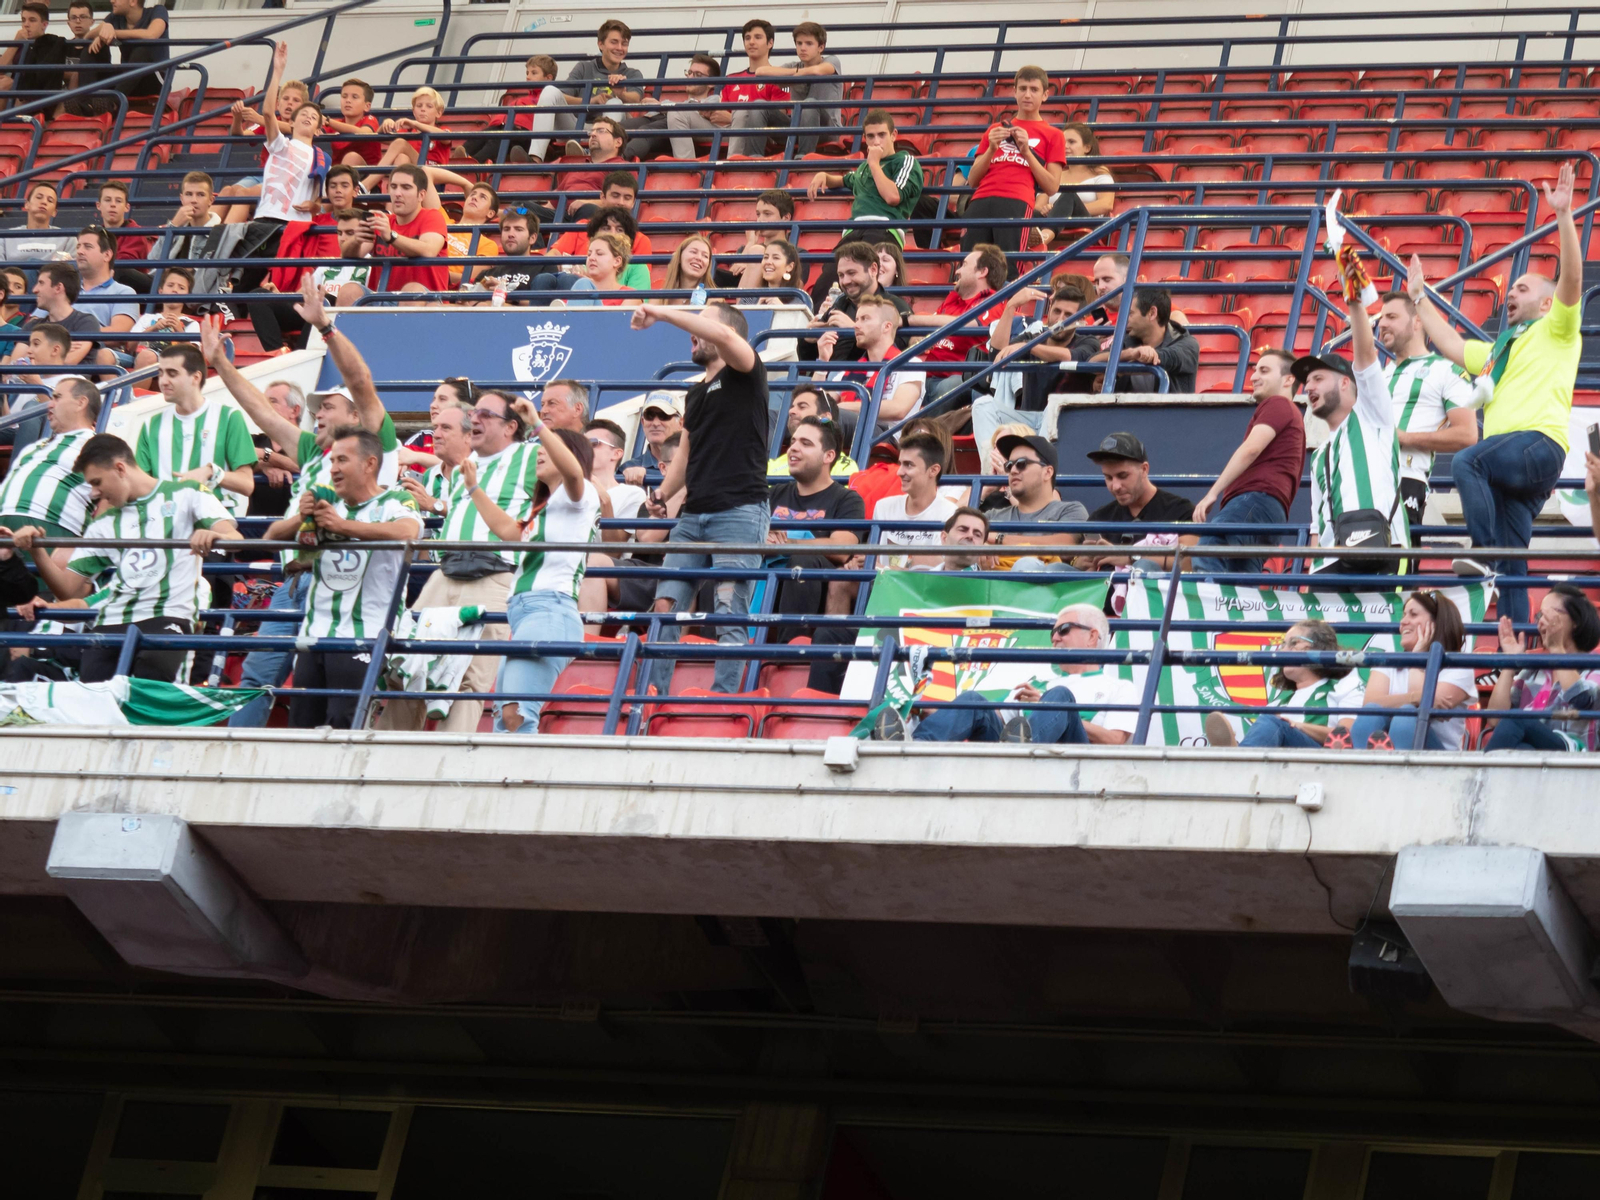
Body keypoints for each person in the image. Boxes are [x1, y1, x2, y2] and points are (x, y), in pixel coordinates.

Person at [202, 283, 398, 728]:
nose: (319, 413)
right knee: (256, 675)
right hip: (293, 581)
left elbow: (361, 382)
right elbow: (262, 415)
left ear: (354, 418)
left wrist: (325, 327)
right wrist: (221, 365)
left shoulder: (376, 444)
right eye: (316, 408)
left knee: (331, 694)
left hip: (345, 582)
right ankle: (236, 761)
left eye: (328, 407)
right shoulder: (312, 450)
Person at [1409, 162, 1581, 625]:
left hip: (1538, 445)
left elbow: (1571, 283)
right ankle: (1514, 654)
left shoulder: (1557, 329)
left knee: (1468, 459)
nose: (1511, 294)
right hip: (1515, 470)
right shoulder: (1497, 349)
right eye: (1510, 289)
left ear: (1545, 303)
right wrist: (1419, 298)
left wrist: (1564, 217)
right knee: (1512, 567)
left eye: (1522, 288)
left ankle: (1480, 554)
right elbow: (1446, 342)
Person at [13, 433, 240, 684]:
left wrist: (213, 535)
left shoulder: (187, 492)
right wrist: (37, 551)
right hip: (110, 622)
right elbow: (68, 590)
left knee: (151, 689)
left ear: (120, 468)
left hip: (167, 618)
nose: (93, 493)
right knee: (95, 699)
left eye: (97, 482)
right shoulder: (103, 523)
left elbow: (234, 538)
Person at [376, 389, 537, 734]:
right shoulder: (467, 465)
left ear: (510, 427)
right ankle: (387, 756)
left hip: (495, 575)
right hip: (445, 572)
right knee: (407, 668)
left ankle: (447, 766)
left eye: (484, 415)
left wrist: (537, 421)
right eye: (473, 414)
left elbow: (575, 480)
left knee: (469, 681)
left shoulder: (530, 457)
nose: (474, 419)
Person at [638, 302, 770, 693]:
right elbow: (686, 454)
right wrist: (664, 492)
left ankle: (722, 704)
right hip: (693, 516)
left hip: (739, 511)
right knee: (665, 608)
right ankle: (653, 699)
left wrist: (662, 314)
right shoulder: (695, 394)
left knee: (729, 612)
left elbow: (726, 337)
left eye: (701, 323)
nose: (692, 333)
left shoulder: (746, 370)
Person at [264, 427, 421, 730]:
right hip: (314, 636)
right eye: (332, 460)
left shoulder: (394, 500)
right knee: (301, 729)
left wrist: (343, 526)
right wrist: (301, 517)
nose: (333, 468)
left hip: (363, 636)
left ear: (370, 464)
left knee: (343, 728)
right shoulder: (326, 502)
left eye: (342, 460)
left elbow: (407, 532)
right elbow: (271, 538)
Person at [449, 419, 598, 733]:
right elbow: (505, 531)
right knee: (507, 716)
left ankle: (520, 781)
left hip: (550, 611)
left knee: (516, 715)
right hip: (529, 615)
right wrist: (473, 488)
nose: (540, 453)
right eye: (539, 447)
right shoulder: (543, 507)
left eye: (548, 448)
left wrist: (539, 425)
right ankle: (510, 779)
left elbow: (573, 472)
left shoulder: (581, 496)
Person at [899, 603, 1138, 744]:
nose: (1055, 638)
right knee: (973, 701)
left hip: (1073, 766)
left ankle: (1021, 753)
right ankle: (914, 747)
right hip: (1015, 755)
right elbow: (993, 719)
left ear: (1092, 636)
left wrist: (1051, 707)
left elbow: (1115, 740)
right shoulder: (1039, 683)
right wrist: (942, 713)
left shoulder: (1119, 687)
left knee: (1060, 697)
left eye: (1063, 630)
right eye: (1052, 633)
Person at [1297, 274, 1406, 574]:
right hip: (1331, 565)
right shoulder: (1318, 456)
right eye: (1306, 382)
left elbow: (1366, 355)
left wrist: (1354, 302)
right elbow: (1317, 527)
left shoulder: (1371, 416)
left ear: (1346, 383)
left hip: (1383, 551)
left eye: (1318, 378)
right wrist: (1313, 573)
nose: (1308, 388)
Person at [1190, 347, 1305, 576]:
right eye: (1254, 370)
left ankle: (1212, 612)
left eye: (1264, 370)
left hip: (1256, 499)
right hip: (1271, 511)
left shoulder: (1278, 404)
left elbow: (1251, 449)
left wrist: (1213, 492)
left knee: (1207, 550)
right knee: (1240, 581)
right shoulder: (1293, 414)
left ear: (1288, 379)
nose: (1253, 377)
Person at [1374, 290, 1477, 530]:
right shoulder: (1379, 375)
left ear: (1418, 320)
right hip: (1362, 478)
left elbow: (1467, 434)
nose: (1382, 324)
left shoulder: (1447, 370)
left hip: (1406, 479)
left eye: (1391, 317)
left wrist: (1404, 438)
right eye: (1380, 319)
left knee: (1396, 563)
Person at [767, 414, 864, 646]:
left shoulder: (847, 499)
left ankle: (791, 651)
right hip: (767, 576)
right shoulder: (773, 493)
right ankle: (713, 650)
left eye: (806, 443)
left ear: (828, 456)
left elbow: (842, 549)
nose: (794, 449)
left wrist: (788, 544)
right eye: (793, 442)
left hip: (811, 586)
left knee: (804, 560)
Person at [971, 283, 1099, 455]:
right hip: (1028, 418)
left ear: (1080, 319)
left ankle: (1040, 471)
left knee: (1054, 405)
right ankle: (991, 472)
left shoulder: (1088, 341)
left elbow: (1070, 356)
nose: (1060, 319)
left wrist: (1029, 347)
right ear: (1049, 311)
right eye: (1057, 311)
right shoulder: (1033, 337)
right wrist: (1011, 306)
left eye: (1068, 315)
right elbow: (998, 355)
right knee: (982, 405)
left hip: (1065, 423)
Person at [135, 342, 256, 515]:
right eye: (160, 373)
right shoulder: (150, 426)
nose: (163, 381)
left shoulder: (229, 417)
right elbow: (139, 484)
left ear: (196, 377)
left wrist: (211, 472)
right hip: (164, 524)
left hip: (214, 525)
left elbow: (246, 484)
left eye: (172, 373)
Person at [1347, 590, 1475, 751]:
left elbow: (1423, 709)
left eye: (1413, 615)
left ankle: (1392, 768)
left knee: (1407, 713)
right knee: (1371, 714)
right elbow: (1370, 703)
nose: (1403, 622)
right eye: (1404, 615)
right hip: (1391, 741)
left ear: (1436, 623)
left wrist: (1416, 660)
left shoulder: (1458, 666)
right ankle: (1362, 766)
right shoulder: (1388, 660)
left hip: (1439, 762)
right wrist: (1418, 697)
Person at [1205, 620, 1361, 748]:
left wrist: (1297, 726)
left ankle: (1238, 760)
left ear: (1318, 649)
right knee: (1271, 720)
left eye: (1293, 643)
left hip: (1321, 760)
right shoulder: (1278, 704)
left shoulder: (1345, 686)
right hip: (1278, 768)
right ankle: (1239, 758)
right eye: (1282, 645)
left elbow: (1347, 736)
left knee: (1273, 722)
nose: (1283, 651)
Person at [960, 65, 1064, 257]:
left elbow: (1052, 186)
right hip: (980, 200)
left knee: (1009, 266)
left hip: (1017, 201)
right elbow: (973, 180)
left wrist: (1026, 152)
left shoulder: (1054, 135)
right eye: (1022, 89)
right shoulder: (995, 129)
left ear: (1045, 95)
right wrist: (991, 148)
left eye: (1034, 90)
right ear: (1014, 92)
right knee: (970, 264)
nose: (1027, 95)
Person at [1483, 584, 1600, 751]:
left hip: (1573, 755)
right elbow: (1495, 719)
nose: (1541, 623)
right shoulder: (1533, 671)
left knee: (1517, 719)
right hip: (1536, 755)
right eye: (1539, 616)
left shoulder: (1594, 666)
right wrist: (1510, 663)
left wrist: (1557, 648)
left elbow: (1582, 700)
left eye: (1549, 615)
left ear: (1575, 620)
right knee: (1523, 749)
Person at [521, 21, 645, 164]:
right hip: (577, 128)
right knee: (549, 90)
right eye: (614, 42)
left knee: (614, 102)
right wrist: (592, 101)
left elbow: (636, 99)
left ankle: (601, 157)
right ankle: (535, 159)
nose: (619, 48)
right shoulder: (584, 67)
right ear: (601, 44)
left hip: (608, 132)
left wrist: (621, 94)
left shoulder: (632, 73)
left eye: (624, 44)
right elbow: (562, 96)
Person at [668, 19, 790, 158]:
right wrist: (710, 113)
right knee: (676, 112)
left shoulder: (779, 77)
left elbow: (775, 118)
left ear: (770, 43)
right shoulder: (732, 78)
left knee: (742, 110)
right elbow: (721, 113)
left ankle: (733, 165)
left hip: (755, 134)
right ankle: (687, 170)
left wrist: (732, 117)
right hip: (725, 129)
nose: (751, 42)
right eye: (747, 38)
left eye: (758, 37)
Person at [904, 243, 1008, 404]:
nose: (957, 271)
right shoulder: (952, 299)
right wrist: (915, 339)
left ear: (982, 272)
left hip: (955, 379)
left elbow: (966, 324)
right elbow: (929, 329)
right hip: (926, 377)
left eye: (964, 265)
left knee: (958, 385)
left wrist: (909, 319)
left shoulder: (994, 301)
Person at [806, 109, 921, 254]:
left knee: (863, 270)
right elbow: (844, 180)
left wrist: (874, 163)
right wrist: (824, 176)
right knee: (829, 274)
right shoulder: (863, 168)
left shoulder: (904, 161)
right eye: (871, 136)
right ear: (865, 138)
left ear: (893, 135)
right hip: (853, 231)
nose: (876, 141)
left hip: (885, 230)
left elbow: (893, 197)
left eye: (882, 135)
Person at [1076, 432, 1196, 570]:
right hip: (1106, 589)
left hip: (1153, 590)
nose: (1115, 486)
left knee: (1144, 566)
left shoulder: (1180, 510)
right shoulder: (1099, 518)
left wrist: (1131, 557)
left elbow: (1191, 562)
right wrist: (1079, 564)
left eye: (1123, 476)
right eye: (1108, 478)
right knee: (1053, 569)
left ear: (1144, 469)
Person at [0, 375, 98, 536]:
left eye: (57, 398)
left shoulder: (98, 446)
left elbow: (112, 501)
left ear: (81, 402)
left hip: (49, 534)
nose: (49, 404)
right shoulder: (34, 448)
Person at [819, 293, 925, 429]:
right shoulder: (849, 371)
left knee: (828, 422)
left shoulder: (910, 364)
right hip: (848, 431)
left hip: (885, 438)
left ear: (886, 326)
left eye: (864, 319)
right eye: (856, 319)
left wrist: (843, 408)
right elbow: (819, 406)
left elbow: (899, 409)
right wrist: (822, 363)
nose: (856, 325)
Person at [986, 433, 1086, 566]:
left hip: (1045, 584)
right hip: (997, 585)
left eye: (1021, 464)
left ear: (1047, 472)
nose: (1013, 470)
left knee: (1026, 564)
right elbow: (957, 537)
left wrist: (997, 538)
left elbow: (1064, 546)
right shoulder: (993, 515)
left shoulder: (1070, 510)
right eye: (1009, 465)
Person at [870, 430, 958, 568]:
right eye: (900, 464)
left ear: (933, 470)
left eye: (909, 465)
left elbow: (933, 572)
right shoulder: (883, 507)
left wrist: (882, 568)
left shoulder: (950, 514)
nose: (899, 472)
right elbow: (871, 560)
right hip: (880, 586)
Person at [749, 21, 841, 154]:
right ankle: (755, 158)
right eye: (799, 43)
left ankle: (803, 159)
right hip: (796, 127)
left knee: (809, 104)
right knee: (759, 105)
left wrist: (794, 75)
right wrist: (796, 73)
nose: (803, 48)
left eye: (809, 43)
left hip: (827, 130)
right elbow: (761, 72)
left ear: (821, 47)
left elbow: (818, 71)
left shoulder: (832, 60)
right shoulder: (794, 66)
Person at [1087, 287, 1198, 393]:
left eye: (1130, 314)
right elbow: (1092, 363)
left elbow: (1164, 358)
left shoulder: (1187, 344)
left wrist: (1115, 372)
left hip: (1169, 412)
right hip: (1128, 411)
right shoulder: (1129, 339)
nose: (1124, 320)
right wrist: (1130, 354)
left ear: (1152, 313)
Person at [366, 163, 449, 294]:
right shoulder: (382, 221)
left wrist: (391, 237)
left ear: (421, 195)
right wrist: (355, 236)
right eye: (393, 187)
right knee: (351, 290)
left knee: (412, 290)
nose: (397, 193)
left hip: (427, 303)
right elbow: (355, 252)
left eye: (406, 187)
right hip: (382, 301)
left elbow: (429, 250)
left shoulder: (432, 216)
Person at [622, 54, 720, 162]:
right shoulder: (672, 105)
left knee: (644, 131)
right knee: (617, 129)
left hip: (673, 125)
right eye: (690, 73)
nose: (691, 77)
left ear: (712, 83)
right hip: (659, 116)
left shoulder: (714, 100)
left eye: (698, 74)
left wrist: (661, 106)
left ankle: (618, 163)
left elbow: (699, 113)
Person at [463, 55, 559, 164]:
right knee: (483, 135)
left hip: (526, 135)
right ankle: (461, 157)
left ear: (548, 78)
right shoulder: (523, 99)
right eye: (527, 73)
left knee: (498, 137)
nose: (528, 77)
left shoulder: (548, 99)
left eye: (534, 73)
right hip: (506, 128)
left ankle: (473, 164)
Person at [1035, 122, 1115, 247]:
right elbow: (1038, 206)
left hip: (1086, 224)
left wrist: (1065, 211)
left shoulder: (1100, 173)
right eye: (1063, 142)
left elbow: (1106, 204)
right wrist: (1048, 209)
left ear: (1087, 148)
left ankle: (1044, 238)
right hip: (1054, 221)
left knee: (1069, 196)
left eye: (1071, 142)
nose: (1065, 146)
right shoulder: (1053, 174)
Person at [11, 262, 100, 367]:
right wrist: (55, 351)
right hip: (32, 383)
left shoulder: (86, 322)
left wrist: (34, 356)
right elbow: (15, 366)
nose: (35, 290)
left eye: (41, 283)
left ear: (58, 288)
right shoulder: (31, 326)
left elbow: (68, 362)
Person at [73, 226, 137, 366]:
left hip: (98, 352)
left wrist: (74, 334)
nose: (79, 251)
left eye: (87, 247)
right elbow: (34, 323)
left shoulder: (124, 292)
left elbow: (119, 334)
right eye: (78, 246)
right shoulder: (63, 289)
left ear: (107, 255)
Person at [83, 0, 170, 104]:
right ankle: (85, 102)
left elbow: (151, 35)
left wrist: (113, 33)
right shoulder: (114, 17)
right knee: (90, 50)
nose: (112, 1)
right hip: (127, 80)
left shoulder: (158, 11)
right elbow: (86, 37)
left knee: (142, 51)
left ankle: (113, 103)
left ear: (133, 1)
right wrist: (103, 30)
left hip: (153, 80)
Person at [404, 394, 473, 519]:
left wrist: (433, 504)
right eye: (436, 427)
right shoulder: (427, 477)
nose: (436, 435)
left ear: (469, 435)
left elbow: (484, 514)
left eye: (446, 428)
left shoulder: (487, 472)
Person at [767, 385, 859, 476]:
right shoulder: (774, 465)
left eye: (802, 407)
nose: (791, 411)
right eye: (792, 407)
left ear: (825, 418)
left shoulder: (844, 468)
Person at [718, 189, 795, 291]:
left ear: (786, 218)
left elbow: (795, 285)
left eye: (767, 214)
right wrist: (750, 244)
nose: (760, 220)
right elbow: (732, 280)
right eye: (758, 214)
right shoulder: (745, 249)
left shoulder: (797, 252)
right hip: (743, 302)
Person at [128, 265, 199, 370]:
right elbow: (130, 346)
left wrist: (180, 332)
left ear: (188, 295)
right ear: (160, 291)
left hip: (172, 363)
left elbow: (194, 357)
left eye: (181, 288)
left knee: (146, 356)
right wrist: (153, 328)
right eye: (170, 285)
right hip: (138, 357)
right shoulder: (146, 318)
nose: (175, 290)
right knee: (104, 354)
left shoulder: (192, 323)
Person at [56, 0, 112, 118]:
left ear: (92, 21)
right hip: (65, 96)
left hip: (95, 96)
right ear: (68, 23)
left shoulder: (99, 45)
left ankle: (83, 107)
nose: (78, 21)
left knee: (77, 74)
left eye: (83, 17)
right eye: (74, 18)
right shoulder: (63, 46)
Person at [96, 180, 154, 292]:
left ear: (127, 207)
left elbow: (123, 263)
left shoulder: (136, 233)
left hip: (133, 292)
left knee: (118, 268)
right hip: (103, 286)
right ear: (98, 205)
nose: (112, 204)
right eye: (107, 200)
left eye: (118, 201)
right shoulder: (94, 234)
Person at [0, 181, 74, 264]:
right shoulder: (6, 237)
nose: (44, 202)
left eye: (50, 200)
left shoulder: (67, 238)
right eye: (39, 197)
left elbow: (72, 271)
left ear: (54, 212)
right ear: (27, 205)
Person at [444, 182, 502, 288]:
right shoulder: (443, 220)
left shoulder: (488, 245)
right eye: (472, 194)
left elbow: (470, 280)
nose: (474, 198)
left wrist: (435, 272)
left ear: (490, 213)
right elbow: (426, 173)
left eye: (482, 197)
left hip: (446, 292)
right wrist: (465, 184)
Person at [556, 118, 628, 197]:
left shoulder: (624, 168)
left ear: (618, 142)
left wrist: (588, 203)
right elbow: (552, 204)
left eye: (601, 131)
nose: (593, 134)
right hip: (562, 208)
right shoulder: (577, 168)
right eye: (592, 131)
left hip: (593, 208)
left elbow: (622, 202)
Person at [622, 391, 682, 480]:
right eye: (649, 416)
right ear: (642, 422)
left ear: (681, 423)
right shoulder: (627, 469)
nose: (655, 423)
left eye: (663, 416)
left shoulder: (700, 464)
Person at [325, 77, 382, 168]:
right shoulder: (336, 123)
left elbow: (364, 133)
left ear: (367, 106)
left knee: (351, 157)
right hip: (335, 177)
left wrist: (328, 121)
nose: (347, 100)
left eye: (354, 97)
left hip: (366, 178)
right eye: (344, 96)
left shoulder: (370, 120)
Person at [661, 234, 714, 305]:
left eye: (705, 256)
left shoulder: (714, 298)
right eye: (693, 252)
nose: (699, 258)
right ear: (679, 257)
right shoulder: (660, 297)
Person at [936, 505, 991, 571]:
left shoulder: (991, 581)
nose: (970, 535)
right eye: (963, 530)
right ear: (944, 538)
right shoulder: (923, 579)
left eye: (977, 535)